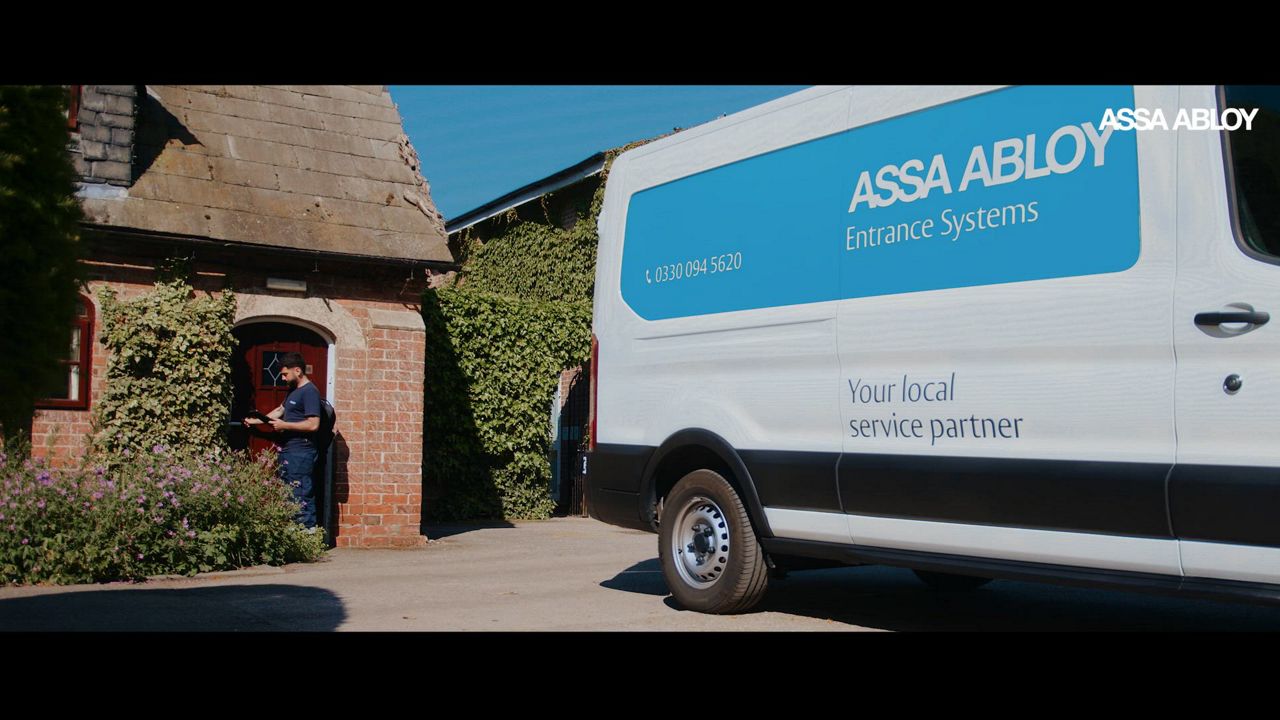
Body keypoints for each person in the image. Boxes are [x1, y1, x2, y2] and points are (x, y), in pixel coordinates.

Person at [244, 352, 321, 528]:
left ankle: (307, 534)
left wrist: (285, 425)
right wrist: (256, 420)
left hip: (301, 453)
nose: (283, 378)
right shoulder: (294, 391)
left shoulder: (310, 392)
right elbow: (279, 411)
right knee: (290, 494)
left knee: (301, 494)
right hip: (289, 451)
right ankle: (294, 532)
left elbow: (313, 424)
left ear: (298, 370)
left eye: (285, 374)